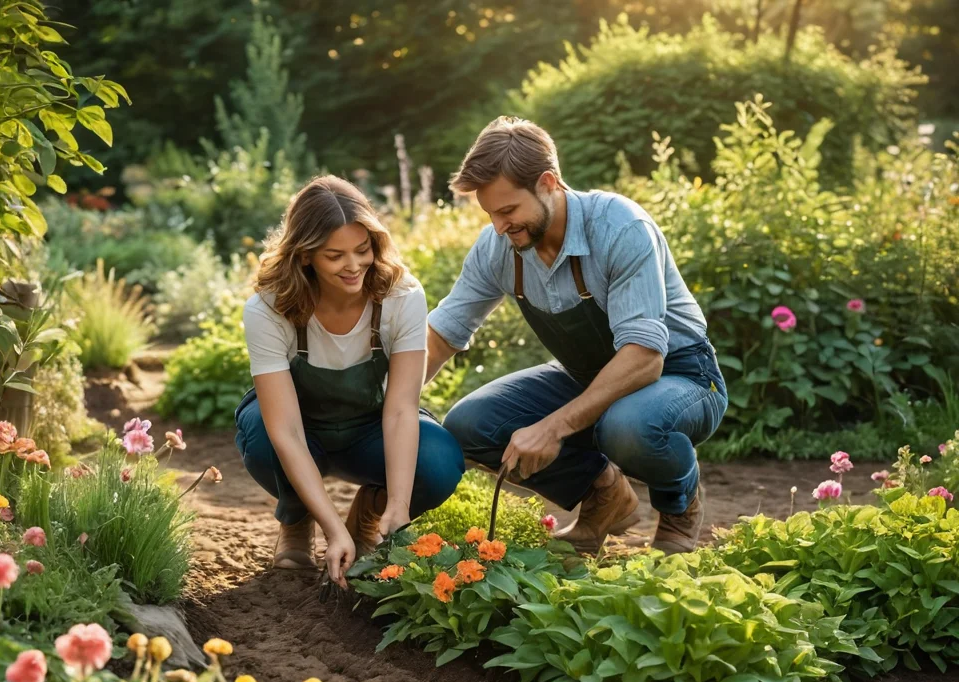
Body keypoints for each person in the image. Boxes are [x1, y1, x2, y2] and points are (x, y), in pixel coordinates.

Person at [426, 118, 727, 555]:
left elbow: (644, 358)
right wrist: (389, 407)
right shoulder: (499, 248)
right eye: (490, 213)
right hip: (586, 375)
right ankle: (604, 495)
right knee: (469, 425)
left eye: (508, 211)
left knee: (627, 427)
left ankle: (680, 505)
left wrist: (552, 428)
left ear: (547, 183)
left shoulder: (619, 228)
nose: (499, 226)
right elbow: (441, 336)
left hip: (681, 376)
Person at [235, 175, 464, 586]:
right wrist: (331, 529)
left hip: (370, 428)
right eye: (334, 255)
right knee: (262, 438)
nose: (354, 265)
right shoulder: (269, 308)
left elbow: (400, 410)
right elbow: (285, 429)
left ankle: (369, 514)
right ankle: (297, 517)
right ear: (305, 256)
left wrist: (398, 503)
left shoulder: (402, 297)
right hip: (303, 430)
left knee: (439, 462)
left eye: (363, 250)